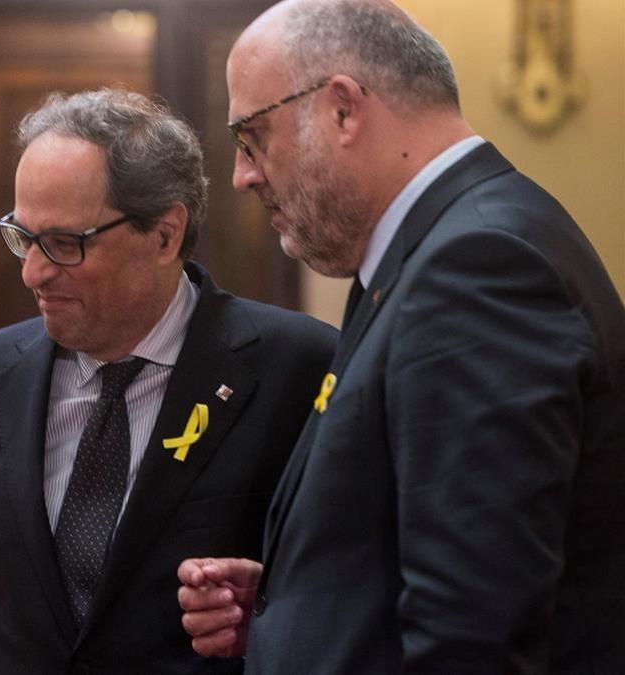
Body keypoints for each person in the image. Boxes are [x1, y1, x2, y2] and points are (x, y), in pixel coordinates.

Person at [177, 1, 625, 672]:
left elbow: (473, 632)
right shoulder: (436, 250)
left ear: (343, 110)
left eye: (253, 135)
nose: (244, 174)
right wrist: (297, 603)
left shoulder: (475, 267)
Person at [0, 89, 337, 674]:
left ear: (165, 235)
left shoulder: (298, 367)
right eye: (22, 236)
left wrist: (260, 608)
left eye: (65, 244)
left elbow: (339, 597)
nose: (32, 272)